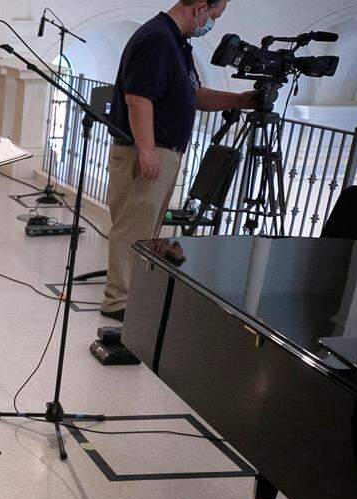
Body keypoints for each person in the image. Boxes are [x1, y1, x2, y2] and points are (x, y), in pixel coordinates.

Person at [102, 0, 255, 321]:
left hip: (162, 149)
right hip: (145, 149)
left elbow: (193, 94)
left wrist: (239, 100)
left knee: (146, 229)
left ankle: (133, 296)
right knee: (134, 227)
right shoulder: (158, 39)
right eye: (214, 15)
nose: (213, 22)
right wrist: (146, 149)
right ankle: (119, 302)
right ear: (200, 7)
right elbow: (138, 98)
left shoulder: (176, 43)